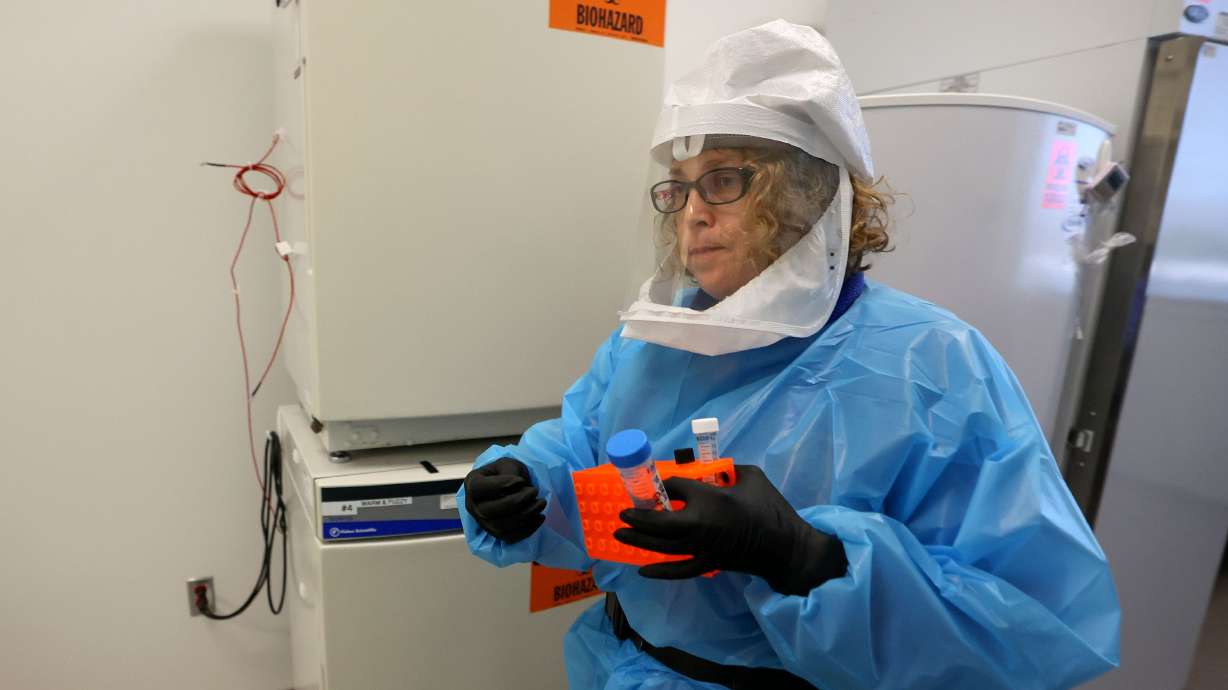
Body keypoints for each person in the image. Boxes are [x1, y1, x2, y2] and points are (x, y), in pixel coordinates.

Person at [458, 20, 1120, 690]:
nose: (690, 212)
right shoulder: (654, 338)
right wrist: (528, 484)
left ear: (808, 194)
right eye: (679, 186)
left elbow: (1029, 626)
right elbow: (586, 448)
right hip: (618, 664)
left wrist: (805, 556)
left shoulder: (934, 364)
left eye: (722, 181)